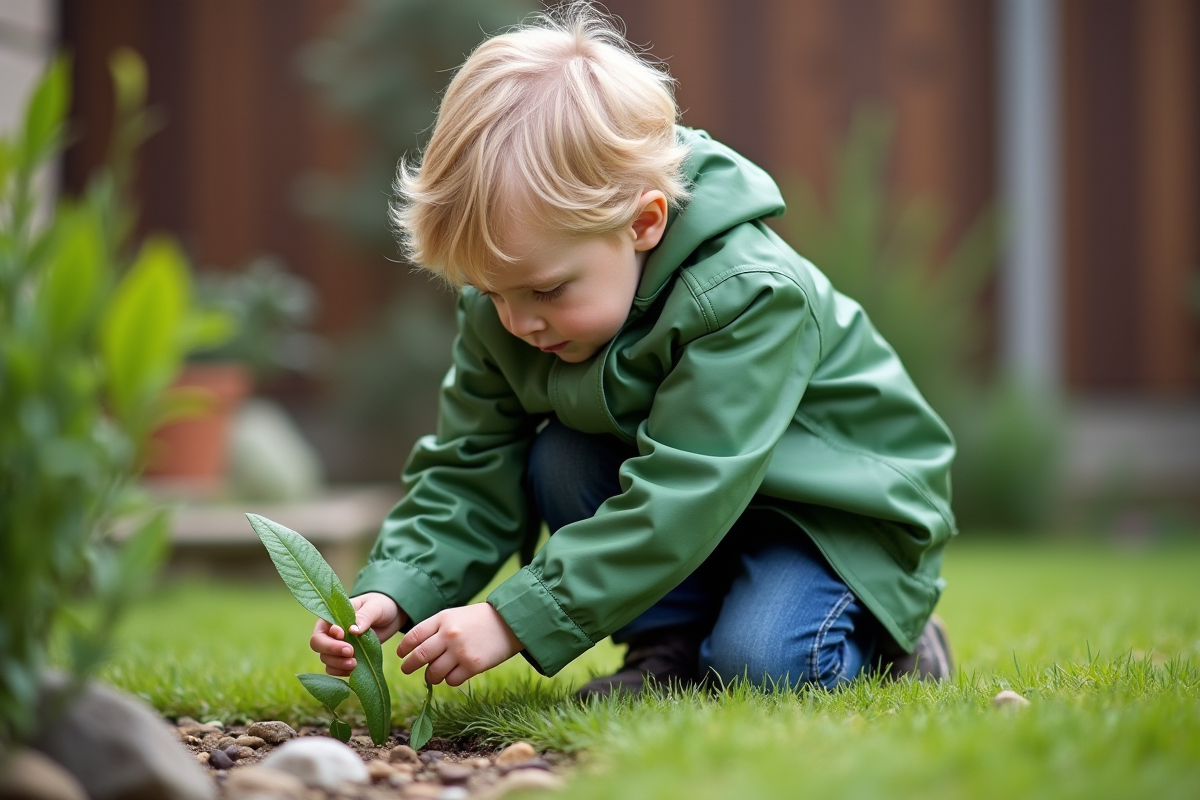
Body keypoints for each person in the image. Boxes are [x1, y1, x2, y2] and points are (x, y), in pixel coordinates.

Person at [309, 3, 956, 697]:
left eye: (547, 291)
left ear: (643, 222)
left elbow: (687, 489)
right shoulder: (512, 298)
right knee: (559, 456)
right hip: (707, 509)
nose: (518, 321)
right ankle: (668, 653)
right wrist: (398, 586)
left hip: (830, 516)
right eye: (491, 292)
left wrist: (512, 619)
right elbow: (473, 461)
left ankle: (897, 640)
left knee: (764, 668)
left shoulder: (748, 295)